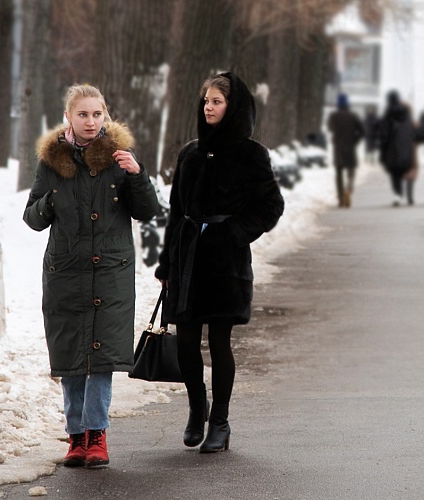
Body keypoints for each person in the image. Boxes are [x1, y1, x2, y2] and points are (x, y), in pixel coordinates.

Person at [23, 83, 160, 468]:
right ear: (69, 116)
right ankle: (75, 437)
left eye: (96, 114)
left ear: (106, 116)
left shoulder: (119, 157)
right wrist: (52, 201)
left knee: (101, 357)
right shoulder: (53, 161)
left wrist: (137, 174)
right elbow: (32, 218)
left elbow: (147, 210)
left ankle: (96, 434)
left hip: (111, 272)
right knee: (70, 355)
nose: (90, 121)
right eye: (82, 114)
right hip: (67, 271)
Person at [154, 73, 284, 453]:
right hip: (188, 258)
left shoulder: (251, 155)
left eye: (217, 101)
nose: (208, 107)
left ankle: (221, 422)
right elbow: (176, 214)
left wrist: (236, 232)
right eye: (206, 101)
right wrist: (166, 265)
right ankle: (198, 408)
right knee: (187, 341)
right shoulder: (189, 154)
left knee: (220, 340)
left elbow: (271, 205)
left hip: (226, 261)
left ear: (234, 107)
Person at [378, 91, 416, 206]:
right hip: (406, 150)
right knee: (402, 170)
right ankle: (405, 194)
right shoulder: (407, 115)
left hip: (392, 151)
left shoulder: (388, 114)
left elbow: (384, 134)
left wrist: (382, 150)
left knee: (395, 173)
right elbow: (411, 132)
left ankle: (397, 194)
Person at [327, 93, 364, 208]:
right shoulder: (353, 115)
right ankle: (349, 188)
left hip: (338, 148)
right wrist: (355, 140)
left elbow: (330, 128)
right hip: (350, 147)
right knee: (351, 172)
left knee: (339, 174)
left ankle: (341, 197)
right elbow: (362, 130)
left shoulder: (334, 116)